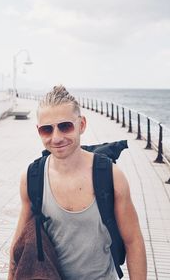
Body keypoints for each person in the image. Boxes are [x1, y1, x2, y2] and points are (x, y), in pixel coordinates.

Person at [8, 85, 147, 279]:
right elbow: (18, 244)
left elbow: (133, 242)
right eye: (47, 129)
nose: (56, 138)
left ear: (81, 125)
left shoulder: (111, 176)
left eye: (65, 126)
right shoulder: (31, 178)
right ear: (38, 131)